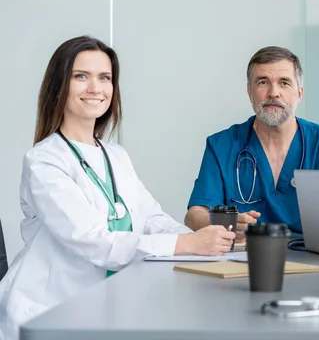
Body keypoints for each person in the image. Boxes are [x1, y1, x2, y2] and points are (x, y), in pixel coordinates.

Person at [0, 36, 235, 339]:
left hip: (107, 306)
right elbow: (94, 241)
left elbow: (152, 219)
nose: (95, 88)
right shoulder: (43, 161)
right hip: (49, 312)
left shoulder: (116, 156)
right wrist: (187, 245)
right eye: (81, 76)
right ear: (59, 85)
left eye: (105, 78)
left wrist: (207, 240)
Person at [185, 46, 319, 239]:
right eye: (262, 82)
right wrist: (225, 223)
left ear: (299, 94)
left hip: (316, 258)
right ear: (249, 92)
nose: (273, 92)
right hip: (243, 258)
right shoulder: (222, 145)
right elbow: (194, 215)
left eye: (284, 83)